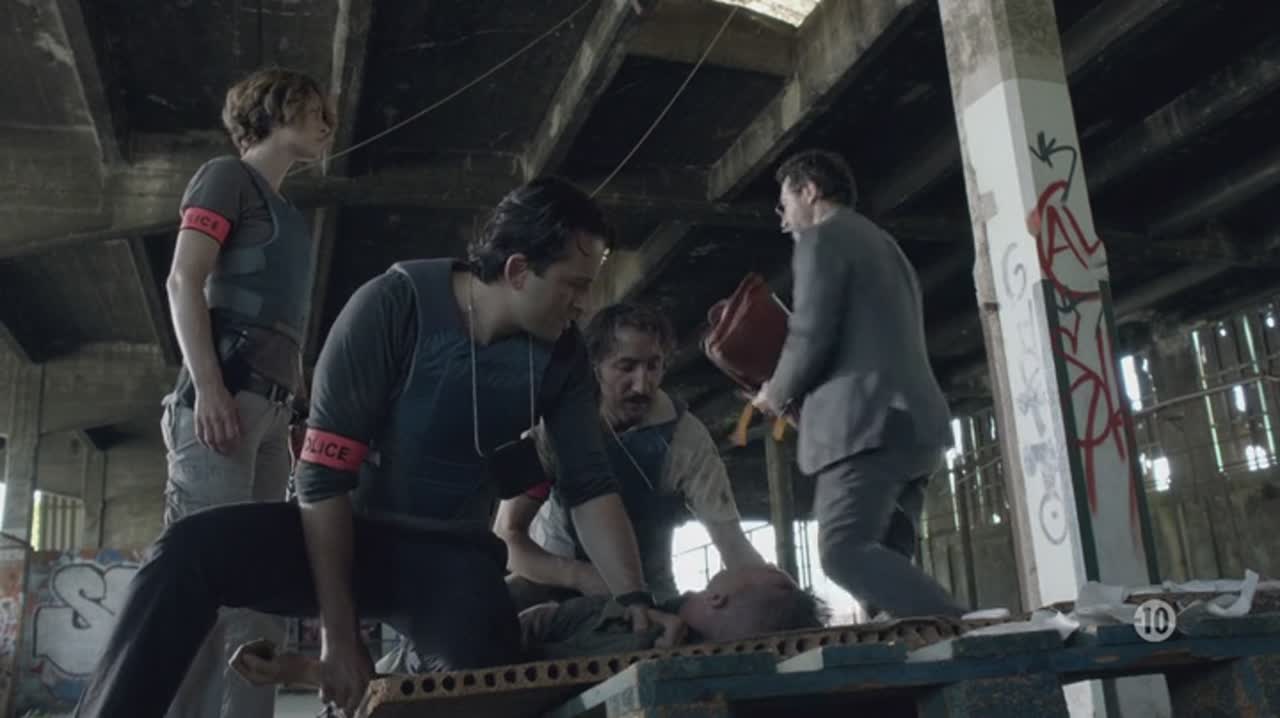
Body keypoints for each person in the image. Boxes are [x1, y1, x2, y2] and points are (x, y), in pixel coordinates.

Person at [72, 177, 678, 718]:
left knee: (485, 678)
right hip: (342, 536)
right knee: (185, 554)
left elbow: (590, 486)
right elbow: (322, 481)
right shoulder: (393, 306)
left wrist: (632, 597)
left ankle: (396, 670)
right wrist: (339, 639)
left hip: (450, 558)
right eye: (574, 285)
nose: (584, 304)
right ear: (519, 271)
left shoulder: (563, 358)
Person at [159, 66, 334, 718]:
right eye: (314, 108)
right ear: (274, 108)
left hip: (272, 411)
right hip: (223, 402)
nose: (327, 123)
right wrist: (208, 386)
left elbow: (285, 324)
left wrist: (298, 409)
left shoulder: (291, 216)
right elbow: (184, 281)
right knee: (204, 584)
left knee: (259, 592)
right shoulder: (225, 178)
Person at [752, 149, 963, 619]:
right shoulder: (886, 246)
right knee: (885, 566)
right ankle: (921, 642)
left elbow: (811, 334)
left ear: (809, 191)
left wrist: (775, 392)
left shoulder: (822, 239)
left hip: (867, 427)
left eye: (784, 205)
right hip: (917, 427)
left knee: (843, 551)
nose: (783, 221)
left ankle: (965, 632)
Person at [496, 302, 766, 610]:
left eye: (653, 366)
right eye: (626, 367)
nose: (642, 385)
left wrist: (769, 592)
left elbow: (730, 540)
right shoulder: (550, 430)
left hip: (650, 592)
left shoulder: (686, 438)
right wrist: (579, 576)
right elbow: (507, 535)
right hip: (555, 585)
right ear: (595, 365)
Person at [231, 565, 829, 686]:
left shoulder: (638, 631)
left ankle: (323, 674)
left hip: (471, 666)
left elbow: (534, 628)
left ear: (719, 598)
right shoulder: (649, 613)